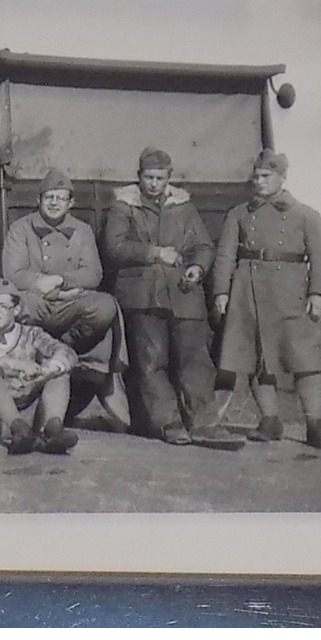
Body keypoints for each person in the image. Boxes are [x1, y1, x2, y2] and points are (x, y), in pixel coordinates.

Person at [103, 147, 243, 450]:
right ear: (138, 176)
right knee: (152, 362)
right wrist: (154, 253)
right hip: (142, 294)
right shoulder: (123, 206)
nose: (153, 183)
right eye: (148, 177)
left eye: (160, 178)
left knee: (195, 358)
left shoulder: (184, 206)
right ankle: (168, 422)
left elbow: (204, 245)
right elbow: (114, 247)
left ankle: (204, 423)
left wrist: (197, 267)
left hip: (183, 293)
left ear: (169, 178)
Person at [211, 149, 321, 449]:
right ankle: (270, 420)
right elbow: (226, 255)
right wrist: (221, 292)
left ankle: (315, 424)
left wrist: (318, 293)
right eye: (256, 176)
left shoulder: (307, 215)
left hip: (292, 291)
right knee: (256, 359)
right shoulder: (239, 214)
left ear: (282, 177)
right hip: (248, 289)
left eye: (266, 176)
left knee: (305, 358)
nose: (259, 182)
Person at [2, 169, 129, 429]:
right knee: (17, 307)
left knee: (105, 306)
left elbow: (93, 273)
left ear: (71, 203)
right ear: (39, 200)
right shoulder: (21, 229)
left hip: (69, 302)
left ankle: (65, 347)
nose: (54, 203)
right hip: (37, 300)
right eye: (49, 197)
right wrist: (41, 285)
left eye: (61, 198)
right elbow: (13, 273)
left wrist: (60, 282)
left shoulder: (81, 231)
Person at [0, 275, 80, 455]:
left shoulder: (31, 333)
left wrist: (48, 369)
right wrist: (15, 364)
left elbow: (66, 352)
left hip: (25, 405)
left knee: (59, 371)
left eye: (3, 306)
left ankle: (53, 429)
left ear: (16, 310)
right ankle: (18, 428)